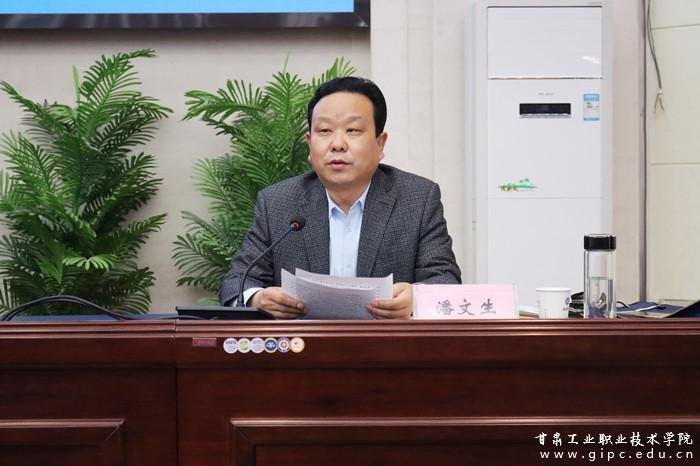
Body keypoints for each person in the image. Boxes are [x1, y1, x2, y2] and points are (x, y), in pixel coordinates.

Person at [219, 77, 461, 319]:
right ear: (309, 143)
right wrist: (256, 299)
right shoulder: (277, 203)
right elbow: (236, 282)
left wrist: (416, 300)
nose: (337, 144)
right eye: (324, 131)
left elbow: (445, 280)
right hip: (304, 342)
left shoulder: (417, 199)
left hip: (386, 341)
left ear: (380, 143)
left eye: (352, 130)